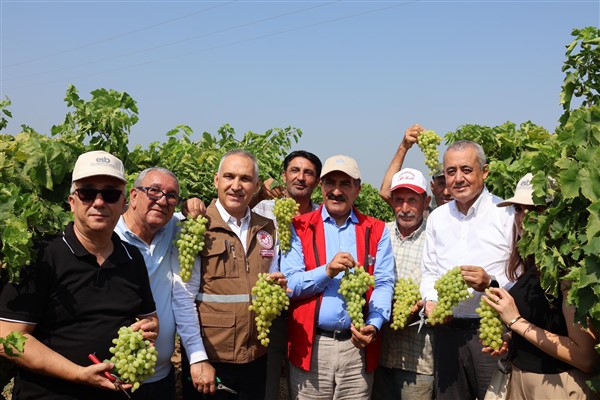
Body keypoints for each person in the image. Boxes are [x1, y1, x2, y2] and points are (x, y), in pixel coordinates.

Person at [0, 150, 158, 400]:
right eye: (87, 192)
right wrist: (78, 374)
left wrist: (147, 330)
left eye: (110, 194)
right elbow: (7, 337)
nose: (98, 202)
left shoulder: (132, 257)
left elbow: (150, 319)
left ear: (123, 203)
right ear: (72, 201)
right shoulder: (41, 256)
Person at [173, 149, 286, 399]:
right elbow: (183, 298)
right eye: (229, 177)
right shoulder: (197, 226)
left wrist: (277, 286)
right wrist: (197, 359)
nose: (236, 186)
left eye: (245, 179)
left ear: (256, 186)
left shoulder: (268, 228)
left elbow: (271, 275)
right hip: (212, 360)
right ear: (216, 180)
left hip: (256, 357)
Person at [281, 154, 395, 400]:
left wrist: (373, 324)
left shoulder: (376, 230)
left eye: (345, 184)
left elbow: (384, 283)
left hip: (358, 350)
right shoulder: (299, 227)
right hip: (312, 347)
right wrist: (327, 271)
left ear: (358, 189)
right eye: (330, 183)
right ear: (320, 187)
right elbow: (290, 285)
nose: (336, 191)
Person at [483, 173, 600, 399]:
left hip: (556, 388)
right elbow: (545, 326)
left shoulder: (569, 271)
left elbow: (585, 357)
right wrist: (508, 339)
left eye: (535, 209)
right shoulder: (535, 262)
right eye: (518, 208)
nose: (523, 217)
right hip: (521, 381)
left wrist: (515, 322)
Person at [420, 140, 514, 400]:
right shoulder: (438, 218)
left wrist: (491, 283)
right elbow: (429, 272)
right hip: (447, 334)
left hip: (491, 333)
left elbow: (518, 276)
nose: (458, 178)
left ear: (484, 172)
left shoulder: (505, 214)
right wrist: (431, 301)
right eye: (451, 171)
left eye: (466, 170)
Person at [114, 167, 206, 399]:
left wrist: (194, 206)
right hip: (115, 374)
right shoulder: (109, 234)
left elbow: (233, 207)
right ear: (133, 196)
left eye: (171, 196)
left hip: (161, 376)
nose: (162, 201)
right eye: (154, 191)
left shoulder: (175, 229)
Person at [252, 150, 322, 400]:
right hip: (270, 309)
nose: (300, 177)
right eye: (295, 170)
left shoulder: (323, 217)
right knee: (268, 378)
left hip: (308, 309)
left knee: (306, 383)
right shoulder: (263, 208)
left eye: (308, 173)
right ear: (284, 175)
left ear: (317, 181)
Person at [373, 168, 434, 400]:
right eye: (399, 200)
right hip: (379, 355)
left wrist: (422, 308)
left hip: (418, 360)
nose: (405, 208)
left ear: (426, 201)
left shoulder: (436, 239)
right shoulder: (380, 234)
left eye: (412, 200)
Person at [379, 124, 452, 213]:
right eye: (441, 184)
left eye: (450, 184)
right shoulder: (424, 215)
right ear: (432, 187)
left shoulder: (470, 216)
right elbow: (385, 192)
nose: (446, 192)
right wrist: (403, 147)